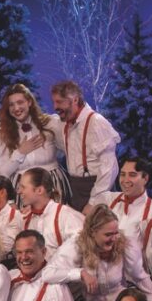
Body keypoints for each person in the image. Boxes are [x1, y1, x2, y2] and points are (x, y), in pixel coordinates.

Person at [49, 79, 120, 210]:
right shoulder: (63, 124)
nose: (55, 107)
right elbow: (45, 121)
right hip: (75, 190)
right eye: (54, 102)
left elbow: (109, 167)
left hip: (96, 189)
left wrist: (94, 201)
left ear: (75, 100)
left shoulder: (96, 123)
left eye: (59, 102)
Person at [0, 83, 69, 202]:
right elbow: (3, 172)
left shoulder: (50, 123)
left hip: (52, 184)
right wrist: (21, 152)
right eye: (11, 105)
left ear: (29, 102)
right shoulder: (4, 132)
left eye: (20, 102)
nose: (16, 108)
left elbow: (68, 149)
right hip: (23, 189)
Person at [17, 167, 84, 250]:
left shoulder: (68, 217)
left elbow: (82, 250)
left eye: (23, 187)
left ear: (39, 190)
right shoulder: (23, 219)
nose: (19, 191)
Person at [102, 155, 152, 236]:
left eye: (132, 175)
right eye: (123, 174)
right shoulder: (107, 199)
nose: (126, 180)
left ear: (145, 179)